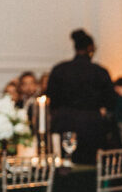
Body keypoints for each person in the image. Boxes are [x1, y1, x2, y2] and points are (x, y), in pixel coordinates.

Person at [47, 29, 116, 165]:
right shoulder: (100, 72)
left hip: (64, 124)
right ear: (90, 48)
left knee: (64, 166)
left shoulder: (60, 69)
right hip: (91, 127)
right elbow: (110, 101)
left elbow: (52, 99)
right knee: (88, 166)